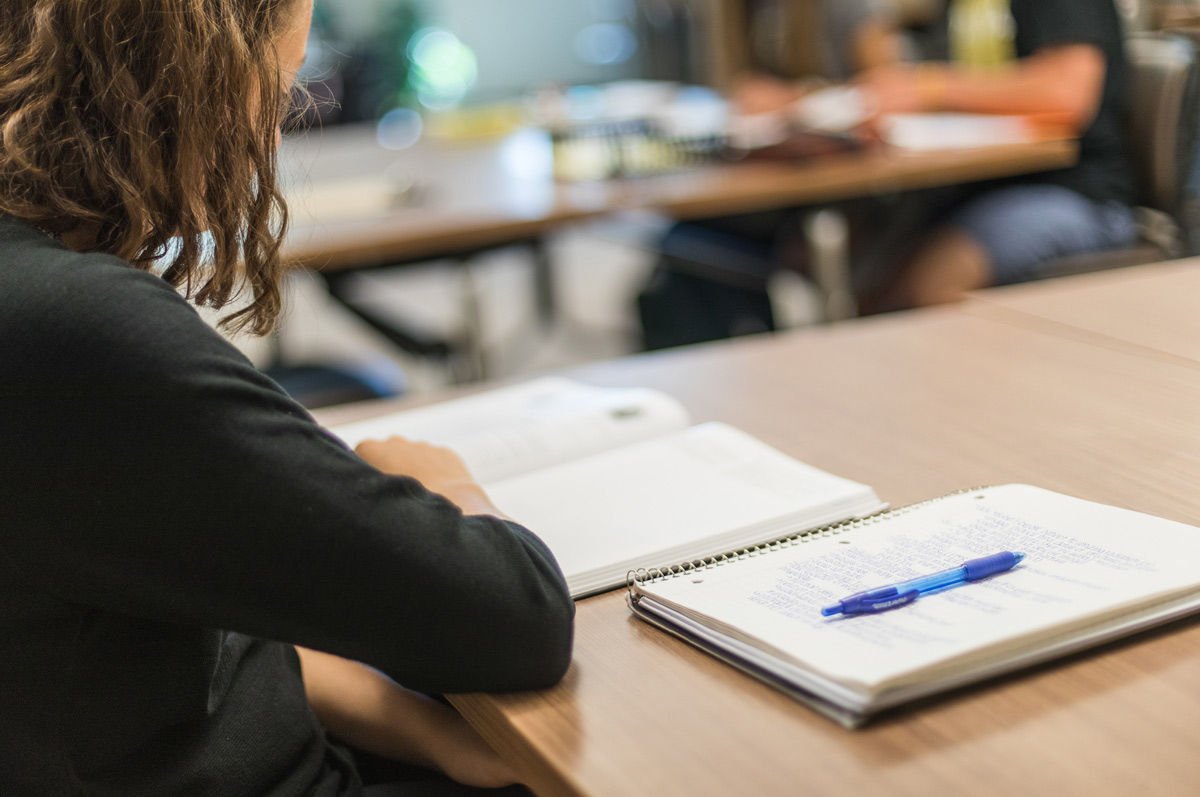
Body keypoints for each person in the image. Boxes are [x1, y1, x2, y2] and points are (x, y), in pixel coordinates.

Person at [0, 2, 574, 795]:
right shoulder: (72, 330)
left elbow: (186, 636)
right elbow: (517, 619)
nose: (272, 137)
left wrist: (424, 733)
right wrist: (450, 484)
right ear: (186, 77)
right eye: (279, 89)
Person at [637, 0, 906, 350]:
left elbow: (892, 87)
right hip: (763, 175)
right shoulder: (735, 13)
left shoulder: (847, 8)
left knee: (701, 248)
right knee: (687, 244)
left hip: (842, 179)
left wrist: (795, 98)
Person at [860, 0, 1137, 308]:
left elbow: (1066, 93)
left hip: (1072, 193)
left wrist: (930, 87)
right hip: (977, 186)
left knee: (928, 287)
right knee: (871, 281)